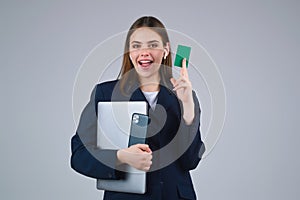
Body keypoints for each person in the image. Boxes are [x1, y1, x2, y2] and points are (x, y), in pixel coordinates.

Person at [71, 16, 205, 200]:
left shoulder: (185, 96)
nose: (144, 52)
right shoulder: (105, 93)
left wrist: (188, 106)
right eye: (136, 46)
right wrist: (121, 157)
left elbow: (190, 160)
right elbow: (79, 155)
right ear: (129, 51)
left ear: (165, 50)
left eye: (152, 45)